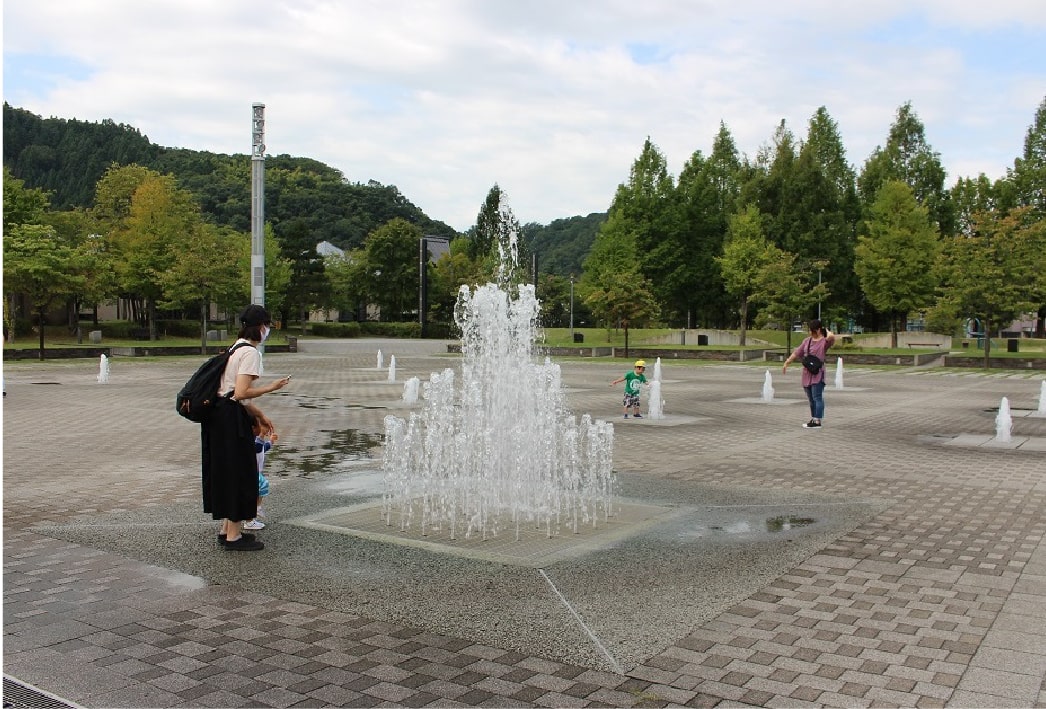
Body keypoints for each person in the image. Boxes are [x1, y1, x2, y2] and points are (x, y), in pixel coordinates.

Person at [201, 304, 290, 551]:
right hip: (231, 420)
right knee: (241, 473)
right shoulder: (250, 352)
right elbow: (240, 392)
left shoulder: (234, 348)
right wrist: (271, 387)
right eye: (268, 325)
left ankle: (228, 530)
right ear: (261, 327)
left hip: (220, 416)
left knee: (229, 472)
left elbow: (229, 392)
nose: (268, 330)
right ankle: (233, 538)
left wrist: (258, 413)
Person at [782, 318, 835, 429]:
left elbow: (832, 337)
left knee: (817, 397)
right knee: (811, 398)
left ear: (818, 330)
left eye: (812, 330)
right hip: (807, 373)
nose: (810, 332)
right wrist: (787, 362)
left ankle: (817, 420)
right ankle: (814, 418)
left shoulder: (824, 342)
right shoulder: (807, 341)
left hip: (818, 373)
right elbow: (797, 352)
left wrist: (825, 330)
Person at [241, 416, 275, 531]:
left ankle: (253, 513)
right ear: (253, 428)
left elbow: (263, 448)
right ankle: (252, 516)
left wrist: (271, 441)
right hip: (251, 473)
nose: (264, 429)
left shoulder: (256, 441)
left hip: (253, 472)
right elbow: (257, 447)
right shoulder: (253, 441)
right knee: (261, 486)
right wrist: (261, 435)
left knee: (260, 488)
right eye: (261, 427)